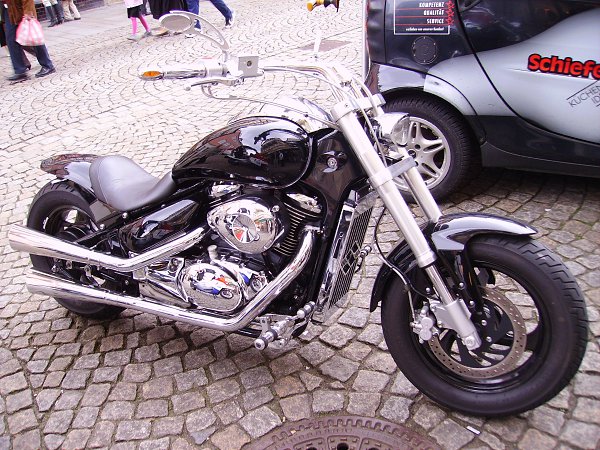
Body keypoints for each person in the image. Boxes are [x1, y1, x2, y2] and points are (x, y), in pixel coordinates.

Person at [1, 0, 56, 81]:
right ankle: (20, 71)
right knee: (11, 40)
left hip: (21, 8)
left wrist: (28, 11)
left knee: (32, 36)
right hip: (8, 10)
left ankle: (47, 65)